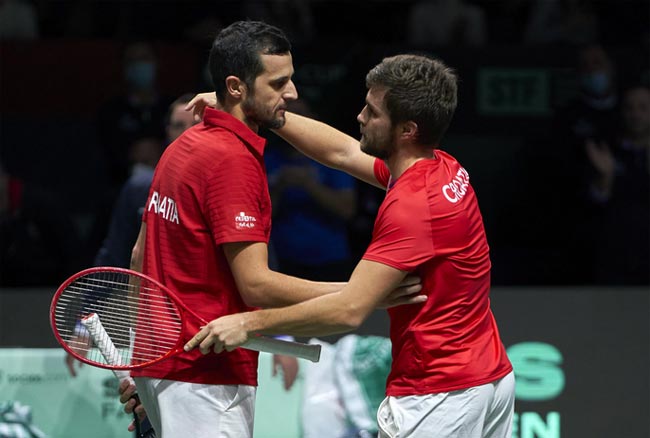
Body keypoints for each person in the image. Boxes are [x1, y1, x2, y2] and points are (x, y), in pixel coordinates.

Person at [185, 53, 515, 437]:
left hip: (439, 393)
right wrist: (264, 112)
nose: (360, 116)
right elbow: (341, 152)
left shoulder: (412, 206)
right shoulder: (441, 165)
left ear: (406, 129)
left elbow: (349, 310)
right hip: (488, 378)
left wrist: (247, 323)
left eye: (373, 112)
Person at [119, 21, 422, 438]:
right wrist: (362, 292)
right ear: (237, 86)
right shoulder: (233, 162)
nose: (293, 93)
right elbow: (256, 287)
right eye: (279, 83)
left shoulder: (181, 146)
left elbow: (140, 257)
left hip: (161, 365)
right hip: (207, 375)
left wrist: (142, 360)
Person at [265, 98, 356, 280]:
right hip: (282, 261)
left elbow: (347, 210)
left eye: (299, 115)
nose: (291, 122)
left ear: (312, 119)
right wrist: (279, 186)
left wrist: (310, 185)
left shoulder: (331, 158)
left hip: (330, 260)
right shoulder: (267, 159)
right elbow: (260, 218)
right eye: (286, 115)